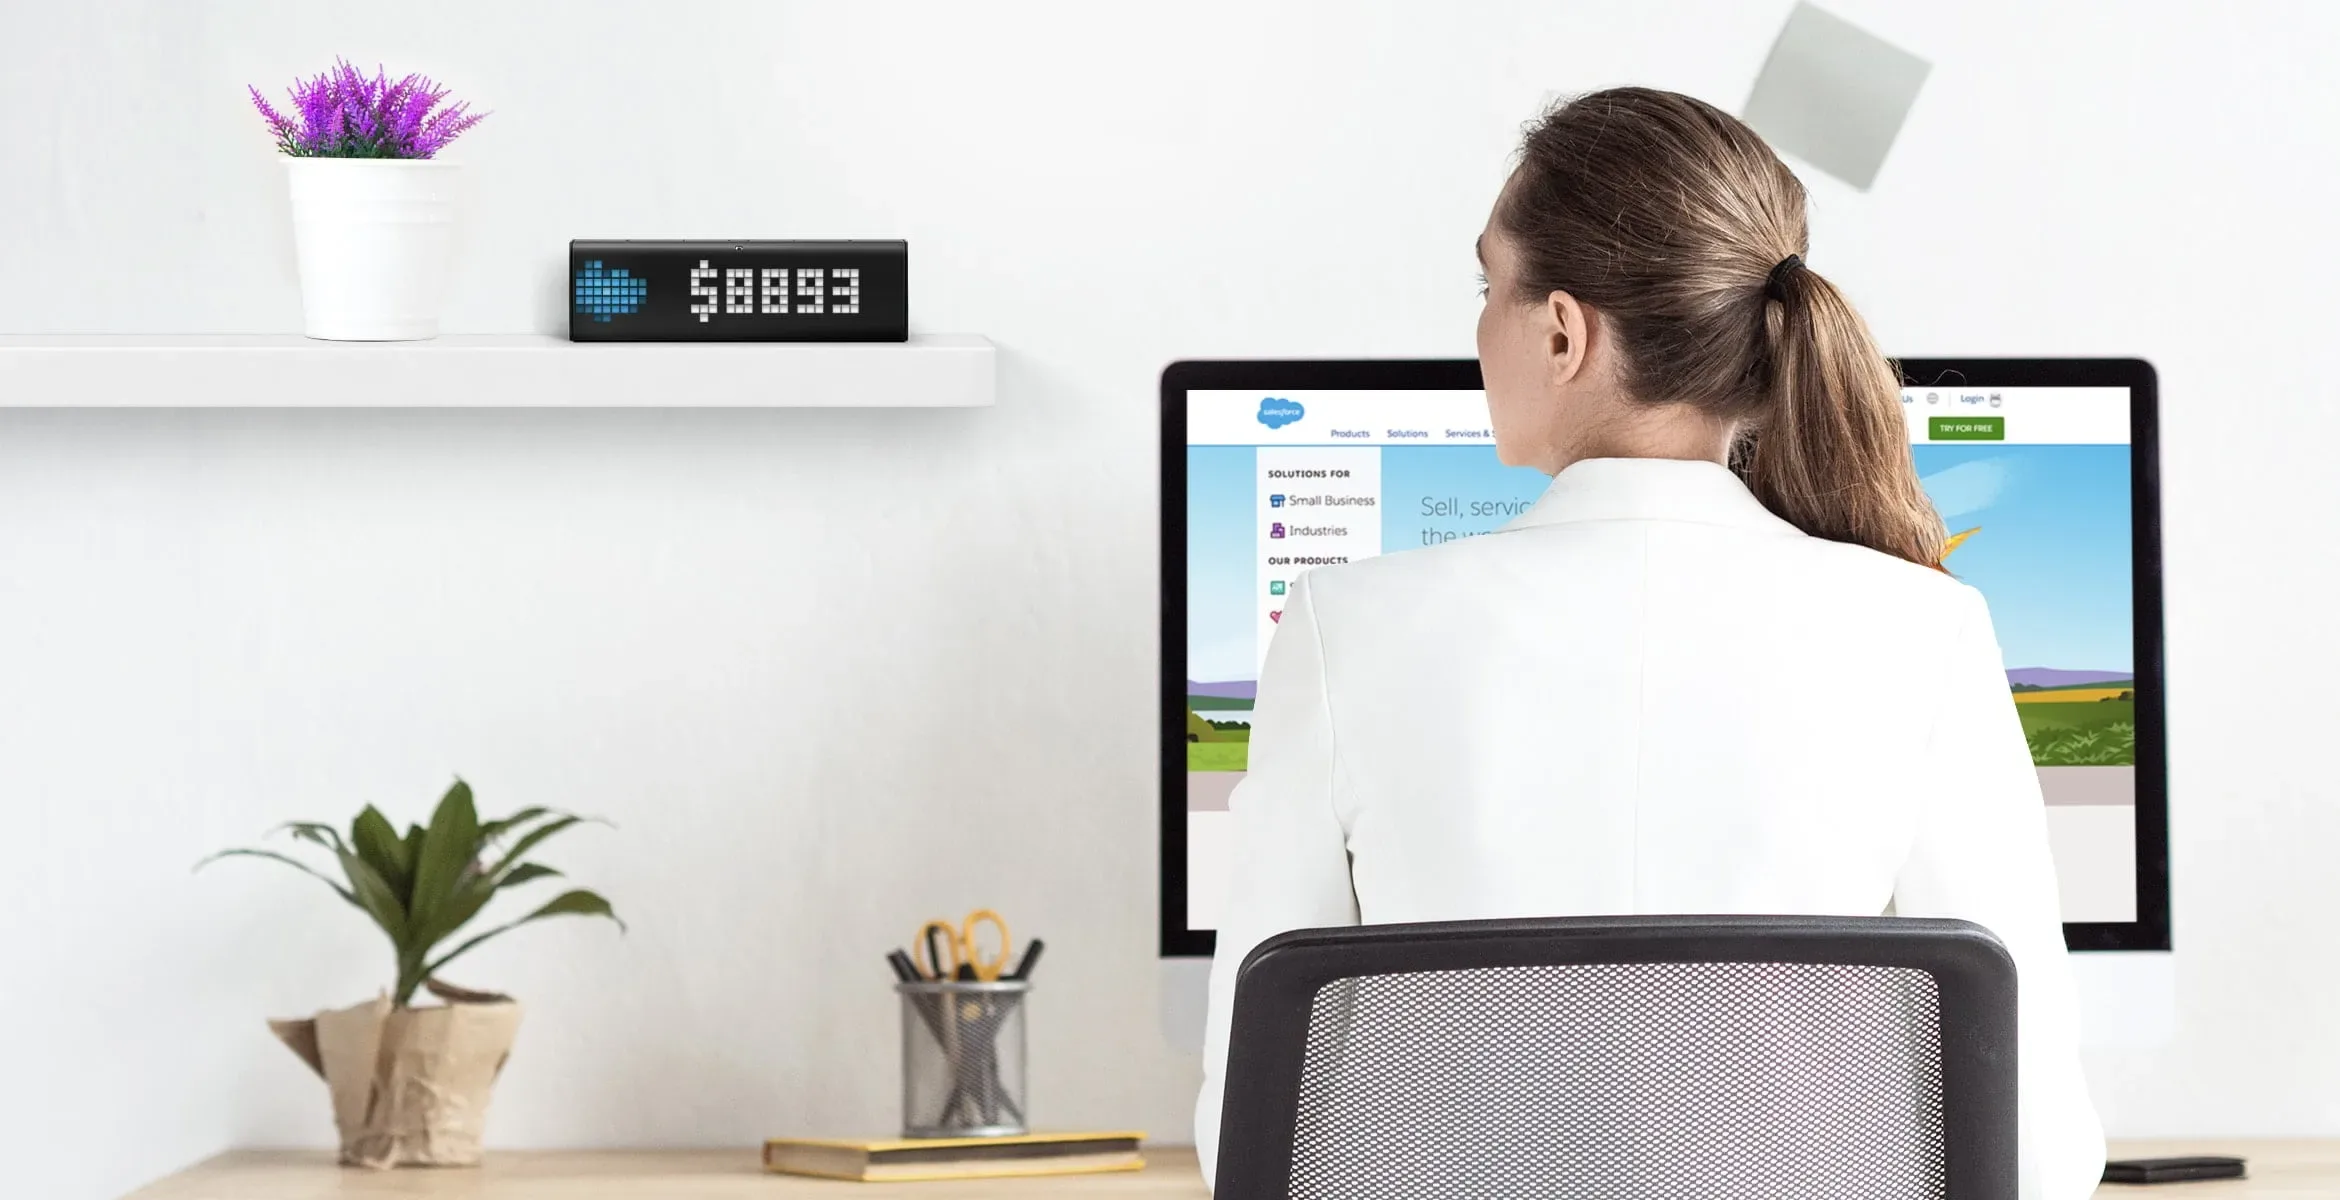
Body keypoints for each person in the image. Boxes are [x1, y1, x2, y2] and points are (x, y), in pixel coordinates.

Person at [1194, 87, 2105, 1199]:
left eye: (1491, 288)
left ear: (1564, 331)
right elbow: (2039, 1156)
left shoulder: (1344, 630)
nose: (1481, 327)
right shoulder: (1928, 629)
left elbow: (1248, 1129)